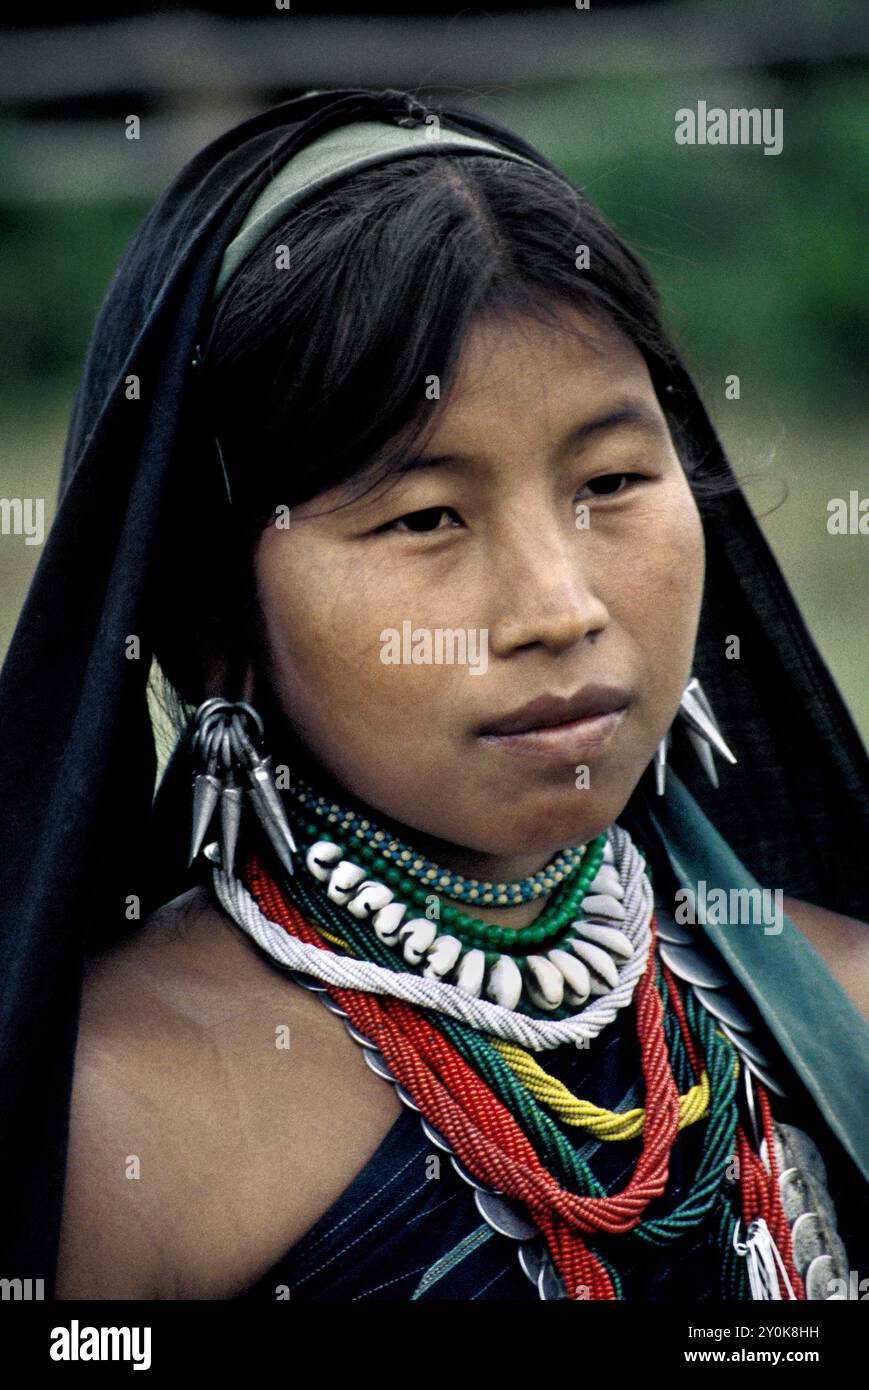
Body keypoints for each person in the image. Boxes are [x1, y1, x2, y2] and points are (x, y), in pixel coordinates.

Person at [0, 87, 866, 1303]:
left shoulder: (839, 1009)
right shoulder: (108, 1128)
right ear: (212, 627)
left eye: (612, 480)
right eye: (424, 516)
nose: (558, 606)